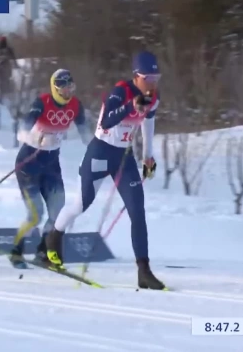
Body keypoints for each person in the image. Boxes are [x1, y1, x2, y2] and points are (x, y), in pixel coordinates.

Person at [45, 51, 166, 290]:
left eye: (156, 77)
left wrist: (148, 155)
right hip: (101, 151)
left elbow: (148, 122)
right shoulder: (121, 91)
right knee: (81, 204)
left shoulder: (153, 97)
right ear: (136, 76)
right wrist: (130, 106)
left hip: (124, 156)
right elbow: (106, 122)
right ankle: (54, 236)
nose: (152, 82)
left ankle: (144, 271)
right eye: (148, 77)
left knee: (137, 211)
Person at [8, 69, 91, 269]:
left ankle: (43, 252)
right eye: (63, 88)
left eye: (70, 87)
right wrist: (37, 138)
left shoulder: (75, 106)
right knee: (35, 214)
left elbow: (86, 135)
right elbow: (21, 132)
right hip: (29, 162)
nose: (67, 91)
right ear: (55, 88)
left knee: (57, 212)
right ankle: (16, 251)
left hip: (51, 164)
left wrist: (103, 148)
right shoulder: (42, 102)